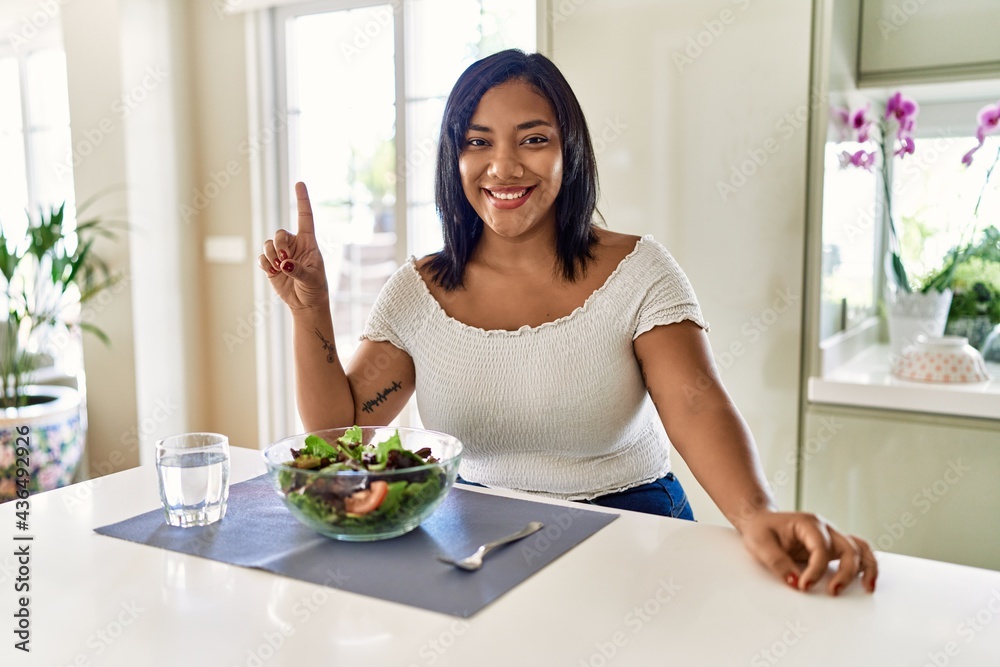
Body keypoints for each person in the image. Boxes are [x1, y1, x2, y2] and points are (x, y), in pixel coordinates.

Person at [258, 49, 877, 596]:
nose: (503, 167)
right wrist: (310, 306)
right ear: (455, 159)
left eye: (532, 139)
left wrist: (755, 512)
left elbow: (696, 405)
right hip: (480, 536)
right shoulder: (418, 291)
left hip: (632, 525)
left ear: (569, 151)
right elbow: (342, 435)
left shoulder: (638, 270)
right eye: (478, 141)